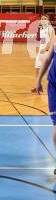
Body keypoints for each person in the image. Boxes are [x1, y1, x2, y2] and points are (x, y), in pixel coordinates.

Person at [33, 30, 56, 174]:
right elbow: (48, 58)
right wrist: (38, 79)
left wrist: (39, 79)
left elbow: (48, 58)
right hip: (54, 83)